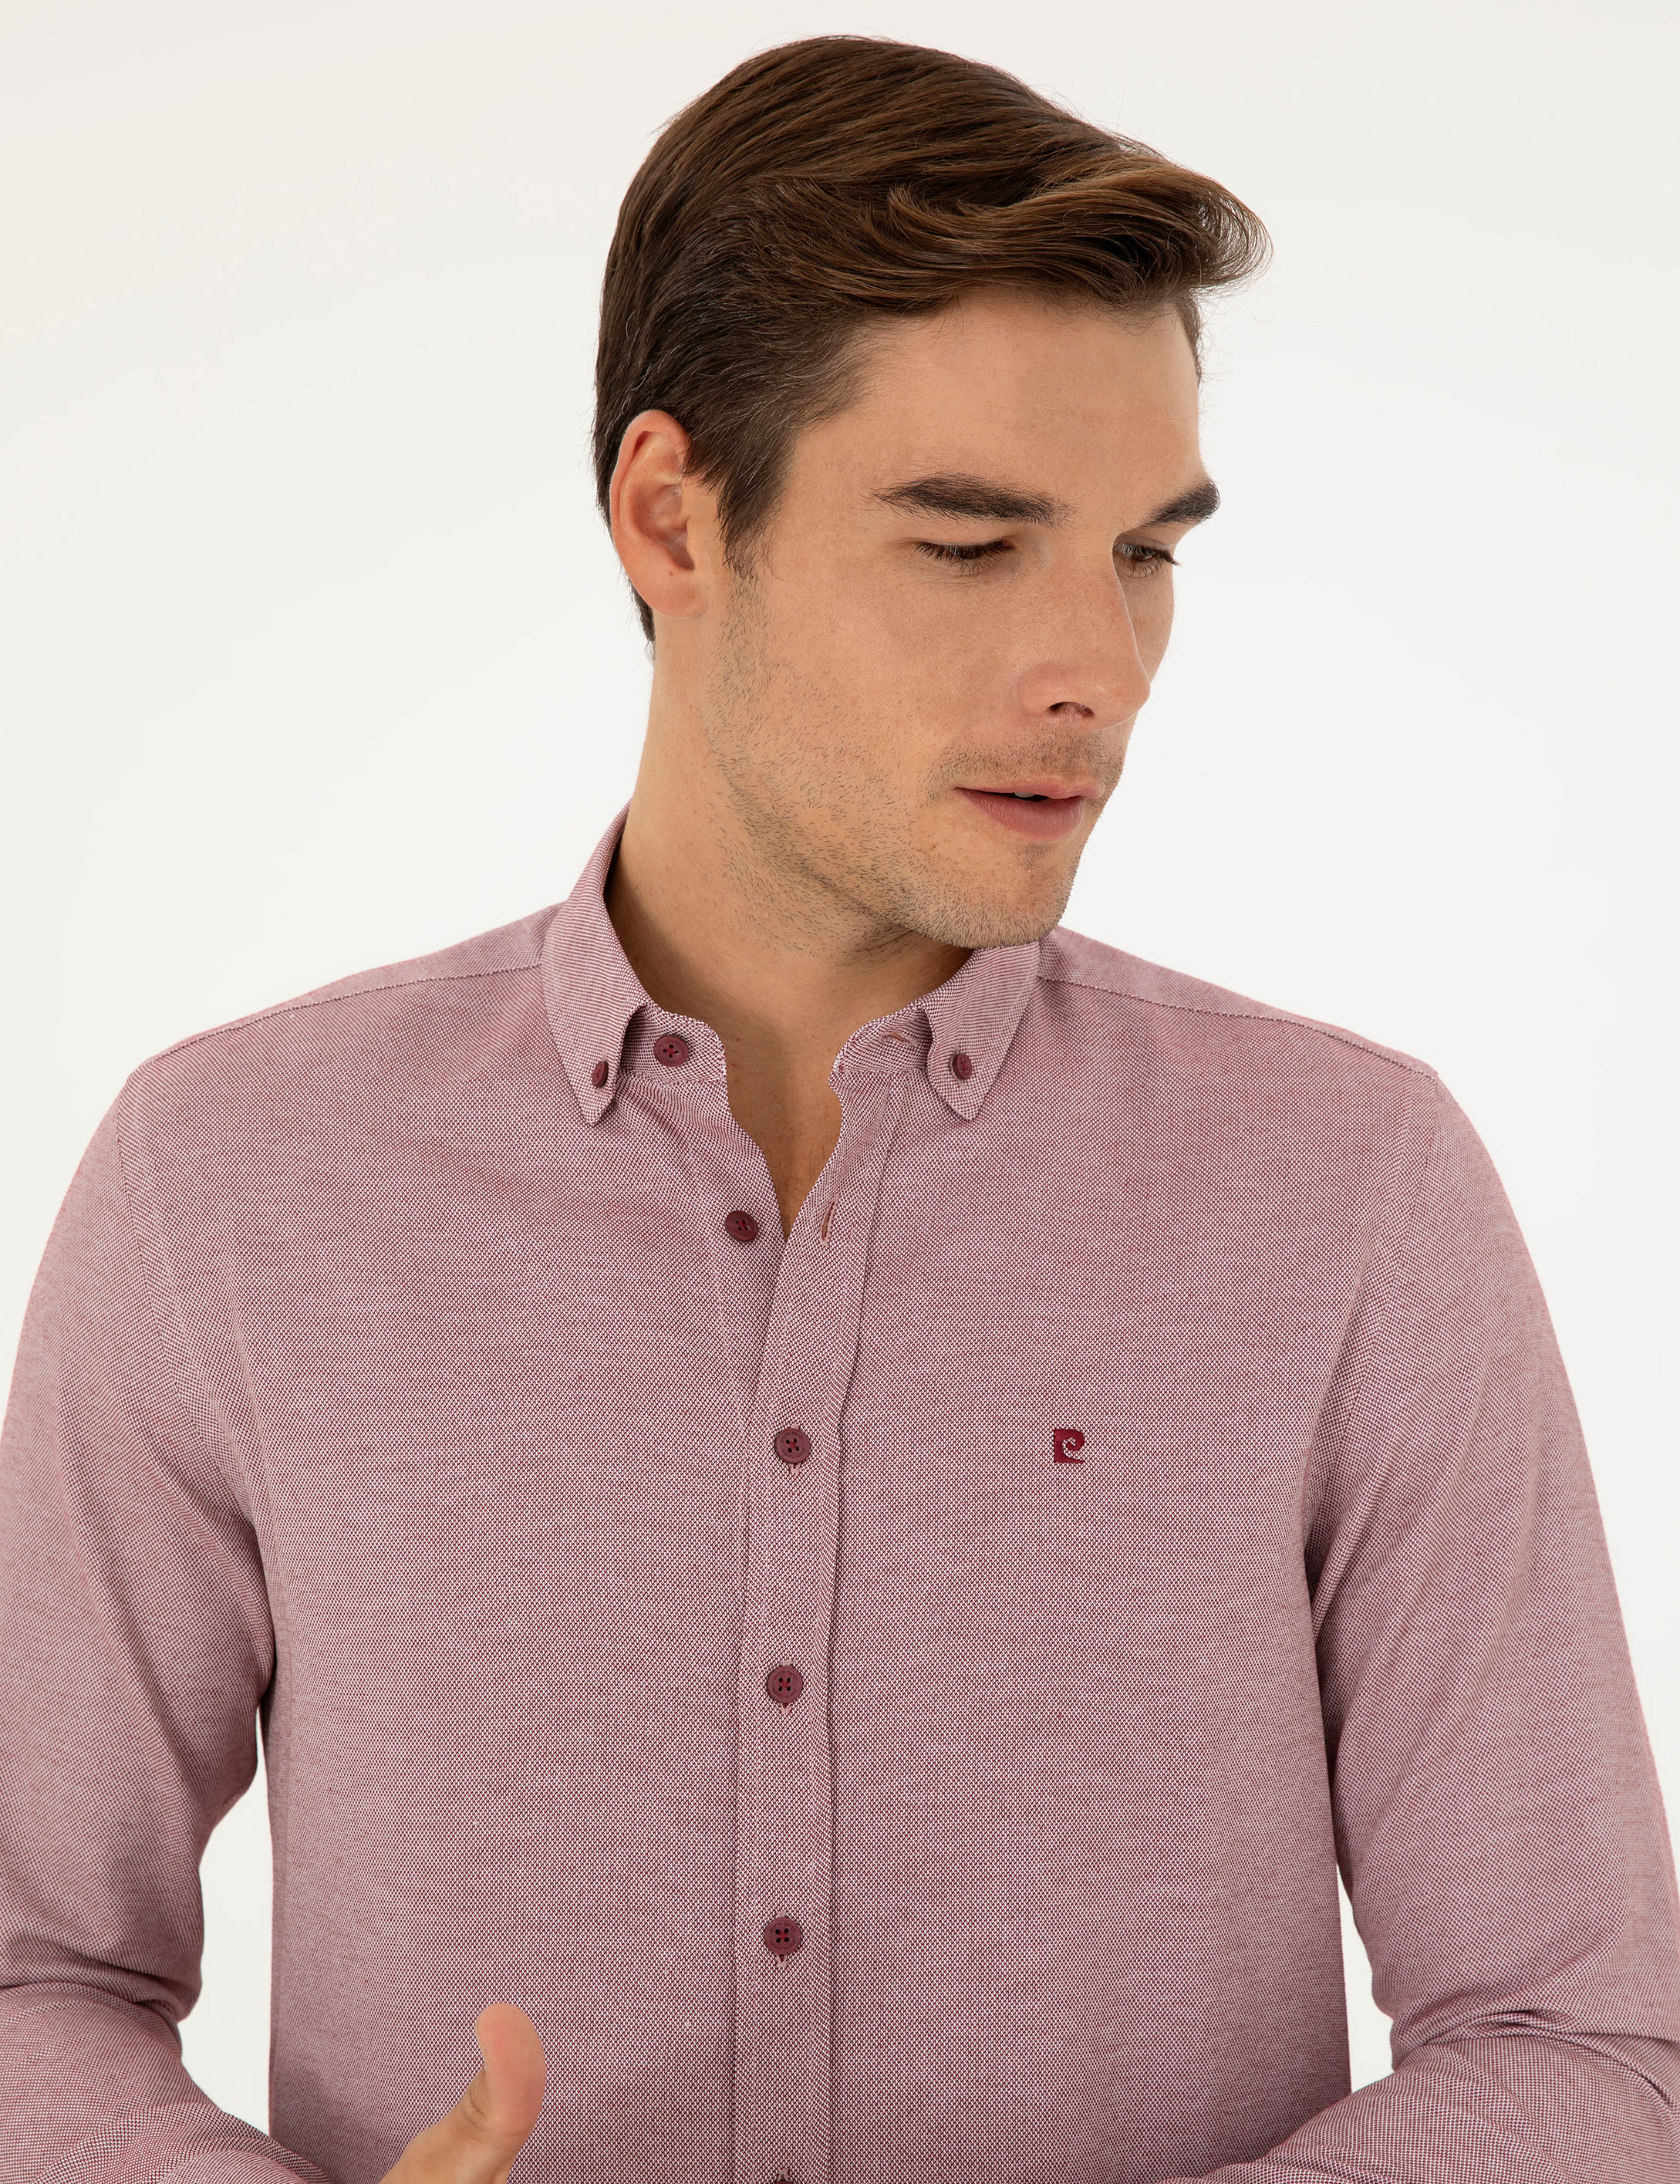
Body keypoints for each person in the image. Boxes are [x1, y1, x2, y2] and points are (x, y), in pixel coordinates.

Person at [1, 31, 1676, 2184]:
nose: (1100, 668)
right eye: (970, 544)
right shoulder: (229, 1186)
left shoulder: (1353, 1193)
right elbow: (32, 1971)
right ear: (673, 518)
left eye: (1145, 552)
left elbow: (1579, 2040)